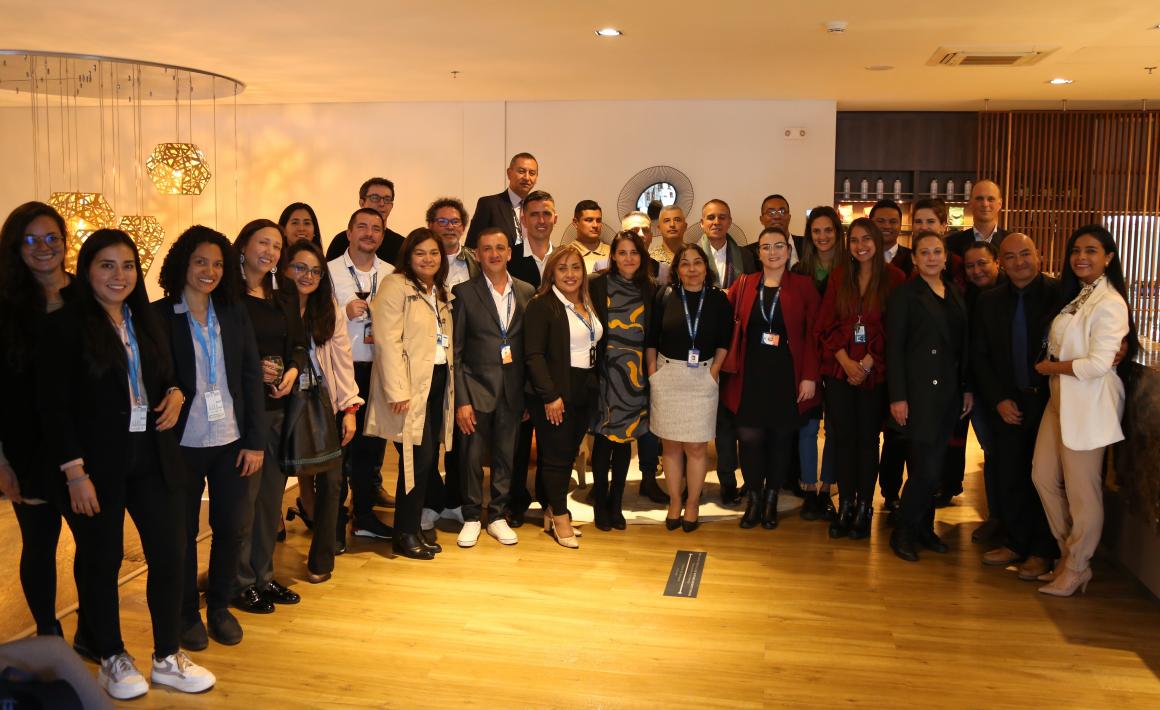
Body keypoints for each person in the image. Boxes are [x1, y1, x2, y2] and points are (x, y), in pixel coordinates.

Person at [36, 229, 215, 700]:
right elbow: (54, 408)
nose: (119, 275)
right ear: (87, 269)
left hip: (152, 454)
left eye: (128, 266)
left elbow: (168, 374)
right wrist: (75, 472)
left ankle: (167, 656)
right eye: (107, 265)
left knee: (170, 551)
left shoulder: (145, 318)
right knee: (103, 558)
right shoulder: (66, 326)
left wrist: (175, 392)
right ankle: (111, 656)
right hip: (94, 464)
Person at [154, 226, 266, 650]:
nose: (210, 270)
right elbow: (155, 377)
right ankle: (186, 614)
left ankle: (219, 606)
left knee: (231, 528)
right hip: (181, 444)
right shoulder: (159, 315)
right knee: (181, 533)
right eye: (200, 261)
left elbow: (251, 375)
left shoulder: (234, 313)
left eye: (218, 263)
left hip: (231, 440)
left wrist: (255, 440)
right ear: (182, 263)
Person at [1031, 225, 1135, 596]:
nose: (1081, 257)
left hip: (1088, 402)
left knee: (1083, 492)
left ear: (1108, 258)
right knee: (1042, 476)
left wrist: (1051, 367)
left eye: (1091, 250)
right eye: (1076, 250)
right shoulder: (1077, 294)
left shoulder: (1110, 301)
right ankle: (1068, 553)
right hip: (1061, 396)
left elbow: (1097, 365)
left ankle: (1077, 567)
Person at [0, 202, 82, 641]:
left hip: (86, 443)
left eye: (52, 237)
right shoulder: (6, 306)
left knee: (96, 545)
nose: (43, 247)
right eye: (30, 239)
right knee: (39, 544)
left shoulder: (88, 296)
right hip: (26, 447)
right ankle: (49, 634)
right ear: (16, 247)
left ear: (65, 243)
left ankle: (94, 629)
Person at [972, 233, 1062, 581]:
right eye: (1010, 257)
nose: (1019, 262)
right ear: (1001, 264)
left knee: (1045, 477)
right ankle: (1016, 541)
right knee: (1009, 472)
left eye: (1026, 254)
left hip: (1050, 400)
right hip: (1007, 402)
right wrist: (998, 399)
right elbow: (980, 355)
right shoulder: (989, 301)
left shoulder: (1059, 295)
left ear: (1039, 256)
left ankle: (1043, 550)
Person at [364, 228, 456, 560]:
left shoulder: (439, 291)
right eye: (420, 253)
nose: (428, 259)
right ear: (408, 256)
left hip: (437, 381)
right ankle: (404, 533)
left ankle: (412, 527)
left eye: (434, 253)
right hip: (410, 387)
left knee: (425, 459)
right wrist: (397, 389)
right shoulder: (395, 286)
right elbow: (387, 341)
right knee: (414, 460)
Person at [722, 226, 821, 530]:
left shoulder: (803, 286)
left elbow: (814, 334)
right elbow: (725, 321)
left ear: (789, 251)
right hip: (749, 376)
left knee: (780, 440)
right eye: (766, 247)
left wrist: (809, 376)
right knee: (749, 438)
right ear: (758, 252)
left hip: (787, 376)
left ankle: (771, 500)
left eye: (779, 246)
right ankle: (753, 498)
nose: (773, 252)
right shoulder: (744, 284)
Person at [232, 219, 307, 612]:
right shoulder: (228, 294)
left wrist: (292, 371)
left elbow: (298, 345)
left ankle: (263, 576)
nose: (271, 252)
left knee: (270, 499)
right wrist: (252, 369)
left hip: (279, 408)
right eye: (263, 243)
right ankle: (240, 581)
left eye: (277, 246)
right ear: (244, 246)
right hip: (244, 412)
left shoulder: (284, 292)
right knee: (244, 501)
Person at [815, 218, 905, 540]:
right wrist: (844, 360)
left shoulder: (895, 278)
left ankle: (865, 506)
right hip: (840, 370)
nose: (860, 245)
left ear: (877, 242)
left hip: (874, 373)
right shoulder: (840, 276)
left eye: (866, 239)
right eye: (854, 240)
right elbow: (826, 324)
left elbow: (895, 329)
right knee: (843, 439)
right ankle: (846, 505)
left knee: (868, 441)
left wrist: (866, 363)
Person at [886, 230, 973, 562]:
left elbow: (962, 347)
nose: (932, 257)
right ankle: (903, 531)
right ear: (914, 258)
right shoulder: (904, 295)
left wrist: (966, 387)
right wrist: (898, 397)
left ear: (946, 257)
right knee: (926, 470)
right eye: (924, 252)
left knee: (934, 468)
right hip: (919, 393)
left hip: (949, 393)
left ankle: (924, 528)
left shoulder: (954, 292)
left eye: (937, 251)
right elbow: (894, 349)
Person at [284, 240, 363, 581]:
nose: (308, 276)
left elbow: (343, 360)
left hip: (322, 402)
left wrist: (349, 409)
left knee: (332, 481)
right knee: (273, 482)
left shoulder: (327, 307)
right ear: (285, 269)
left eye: (316, 271)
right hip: (281, 406)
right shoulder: (273, 306)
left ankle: (321, 559)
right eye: (300, 268)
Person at [451, 228, 535, 548]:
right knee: (471, 457)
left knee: (506, 456)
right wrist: (461, 399)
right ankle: (472, 516)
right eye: (487, 248)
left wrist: (526, 393)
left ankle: (498, 515)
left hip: (512, 391)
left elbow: (528, 349)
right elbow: (456, 352)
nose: (494, 254)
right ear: (478, 254)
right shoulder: (464, 293)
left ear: (509, 253)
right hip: (475, 390)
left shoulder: (526, 291)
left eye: (500, 247)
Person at [647, 244, 732, 532]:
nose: (692, 269)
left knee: (696, 446)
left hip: (702, 377)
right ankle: (674, 501)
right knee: (670, 446)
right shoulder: (664, 295)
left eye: (698, 262)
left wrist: (714, 372)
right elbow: (651, 339)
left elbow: (725, 340)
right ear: (677, 269)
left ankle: (692, 503)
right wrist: (653, 374)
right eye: (685, 263)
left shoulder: (718, 299)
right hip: (668, 376)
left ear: (706, 268)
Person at [524, 244, 603, 548]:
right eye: (562, 268)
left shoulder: (587, 300)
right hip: (556, 390)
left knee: (567, 453)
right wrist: (550, 396)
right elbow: (533, 355)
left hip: (585, 387)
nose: (570, 274)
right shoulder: (542, 305)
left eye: (575, 267)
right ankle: (560, 517)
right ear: (551, 273)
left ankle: (551, 510)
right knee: (556, 457)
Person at [327, 208, 397, 546]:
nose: (369, 233)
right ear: (349, 232)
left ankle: (364, 516)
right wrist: (342, 313)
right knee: (338, 452)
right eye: (362, 227)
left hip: (379, 370)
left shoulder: (392, 274)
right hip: (342, 370)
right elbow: (313, 319)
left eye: (376, 229)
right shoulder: (329, 272)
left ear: (382, 236)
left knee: (371, 449)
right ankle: (334, 523)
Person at [589, 231, 655, 530]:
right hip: (604, 374)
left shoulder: (649, 288)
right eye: (622, 252)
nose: (628, 258)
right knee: (604, 440)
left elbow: (652, 336)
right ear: (613, 256)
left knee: (626, 439)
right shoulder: (596, 285)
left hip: (635, 376)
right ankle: (600, 505)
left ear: (642, 257)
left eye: (634, 252)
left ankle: (616, 504)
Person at [697, 199, 756, 506]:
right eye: (710, 217)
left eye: (722, 217)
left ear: (730, 221)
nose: (716, 222)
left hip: (739, 346)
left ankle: (744, 479)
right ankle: (723, 479)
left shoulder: (746, 256)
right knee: (716, 420)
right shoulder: (694, 256)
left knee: (739, 416)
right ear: (702, 223)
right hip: (704, 347)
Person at [505, 189, 557, 525]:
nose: (540, 220)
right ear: (523, 219)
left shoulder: (564, 259)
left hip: (553, 364)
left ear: (555, 218)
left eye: (546, 213)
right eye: (534, 214)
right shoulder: (509, 259)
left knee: (552, 439)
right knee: (518, 441)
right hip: (518, 362)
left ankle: (550, 499)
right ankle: (515, 501)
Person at [425, 197, 478, 530]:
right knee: (427, 434)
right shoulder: (420, 259)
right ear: (430, 225)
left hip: (465, 356)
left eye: (454, 221)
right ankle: (431, 499)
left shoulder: (474, 261)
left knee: (461, 433)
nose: (448, 227)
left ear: (464, 226)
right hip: (428, 358)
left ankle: (455, 500)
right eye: (441, 221)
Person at [793, 206, 845, 520]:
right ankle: (809, 489)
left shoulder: (850, 269)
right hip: (808, 361)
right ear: (809, 235)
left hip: (840, 361)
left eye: (828, 230)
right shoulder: (799, 271)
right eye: (816, 231)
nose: (823, 236)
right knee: (808, 427)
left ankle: (827, 489)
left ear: (837, 233)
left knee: (835, 428)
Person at [325, 177, 406, 264]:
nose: (382, 204)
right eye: (375, 198)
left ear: (391, 206)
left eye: (387, 199)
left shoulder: (402, 245)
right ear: (362, 203)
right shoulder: (341, 241)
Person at [466, 152, 539, 249]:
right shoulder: (489, 204)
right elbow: (471, 247)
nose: (527, 177)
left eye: (532, 173)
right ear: (509, 173)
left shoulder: (537, 208)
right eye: (521, 171)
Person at [947, 179, 1007, 257]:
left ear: (1000, 204)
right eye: (979, 199)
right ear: (971, 203)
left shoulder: (1011, 241)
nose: (985, 204)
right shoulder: (951, 243)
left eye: (990, 199)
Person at [870, 199, 912, 276]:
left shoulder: (913, 258)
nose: (887, 226)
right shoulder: (861, 257)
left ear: (900, 225)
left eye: (893, 221)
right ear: (870, 224)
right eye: (880, 221)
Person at [570, 199, 610, 272]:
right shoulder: (565, 254)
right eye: (589, 220)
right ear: (575, 222)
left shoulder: (612, 252)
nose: (595, 225)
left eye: (598, 220)